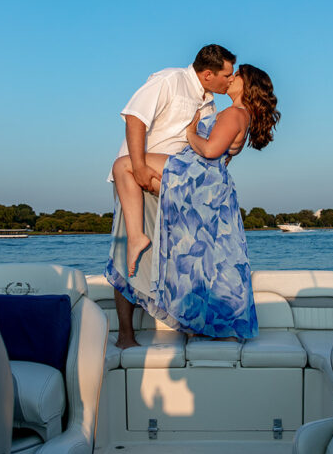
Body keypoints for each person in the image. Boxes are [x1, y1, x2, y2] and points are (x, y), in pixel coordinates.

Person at [116, 64, 280, 340]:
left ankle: (136, 238)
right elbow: (223, 151)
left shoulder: (233, 113)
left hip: (194, 176)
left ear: (248, 84)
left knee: (124, 166)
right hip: (208, 182)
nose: (231, 78)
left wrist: (191, 132)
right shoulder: (241, 115)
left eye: (236, 75)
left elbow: (211, 149)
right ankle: (202, 322)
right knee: (206, 258)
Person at [105, 45, 237, 349]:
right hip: (138, 177)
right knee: (129, 252)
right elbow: (134, 118)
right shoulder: (169, 80)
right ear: (208, 74)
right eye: (227, 75)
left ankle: (190, 325)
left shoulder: (210, 103)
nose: (230, 80)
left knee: (181, 253)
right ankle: (125, 336)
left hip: (173, 183)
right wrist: (138, 167)